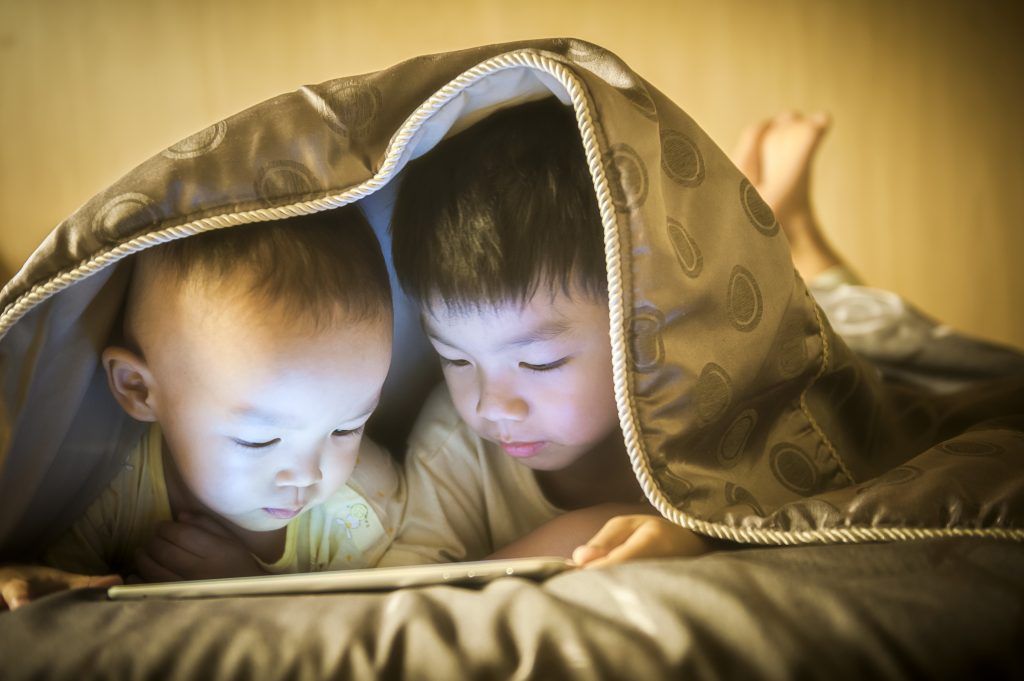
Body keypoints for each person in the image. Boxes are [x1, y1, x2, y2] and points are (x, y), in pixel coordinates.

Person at [0, 206, 398, 609]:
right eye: (259, 440)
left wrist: (252, 592)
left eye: (347, 428)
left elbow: (356, 640)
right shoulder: (106, 488)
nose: (307, 474)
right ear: (138, 389)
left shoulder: (361, 513)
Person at [383, 98, 714, 570]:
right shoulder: (453, 441)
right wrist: (586, 531)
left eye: (540, 362)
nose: (491, 405)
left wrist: (694, 538)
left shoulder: (708, 412)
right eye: (455, 359)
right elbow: (407, 586)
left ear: (644, 325)